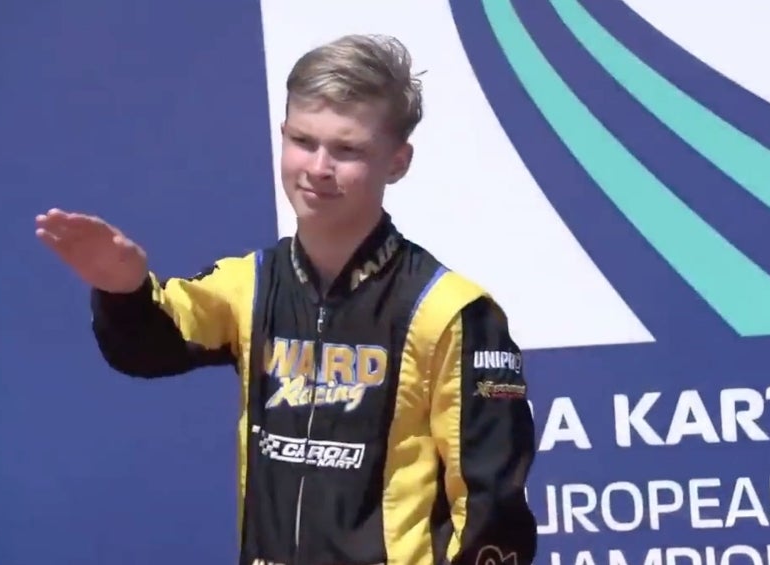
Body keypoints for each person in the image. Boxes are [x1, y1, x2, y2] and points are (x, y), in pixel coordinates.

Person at [36, 33, 538, 565]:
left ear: (397, 162)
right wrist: (123, 289)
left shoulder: (450, 310)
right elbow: (148, 350)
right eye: (303, 141)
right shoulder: (248, 284)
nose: (318, 167)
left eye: (347, 149)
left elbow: (493, 511)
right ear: (281, 136)